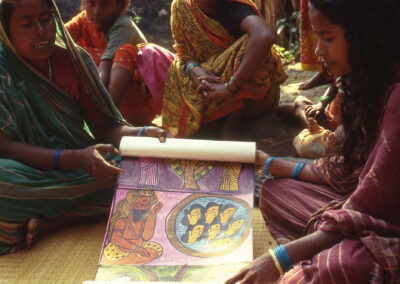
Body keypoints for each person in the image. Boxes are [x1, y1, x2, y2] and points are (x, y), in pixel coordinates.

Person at [226, 0, 400, 282]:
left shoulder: (397, 96)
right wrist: (271, 164)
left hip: (386, 225)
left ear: (364, 35)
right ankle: (326, 246)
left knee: (343, 265)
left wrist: (280, 258)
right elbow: (350, 169)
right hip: (361, 210)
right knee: (274, 192)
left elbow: (371, 204)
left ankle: (325, 253)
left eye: (327, 38)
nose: (319, 51)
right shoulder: (367, 83)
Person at [0, 0, 169, 255]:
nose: (40, 30)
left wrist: (143, 134)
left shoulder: (74, 61)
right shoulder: (3, 71)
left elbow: (105, 129)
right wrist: (74, 159)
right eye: (26, 24)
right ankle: (74, 211)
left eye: (46, 20)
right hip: (25, 171)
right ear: (5, 30)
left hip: (79, 169)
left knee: (144, 172)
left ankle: (60, 219)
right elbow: (6, 147)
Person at [162, 0, 288, 138]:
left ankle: (231, 124)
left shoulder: (234, 6)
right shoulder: (181, 6)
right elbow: (184, 51)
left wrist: (230, 87)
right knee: (176, 67)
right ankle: (208, 122)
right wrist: (194, 69)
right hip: (207, 82)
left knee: (253, 47)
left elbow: (264, 35)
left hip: (247, 92)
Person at [66, 0, 175, 125]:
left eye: (105, 4)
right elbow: (58, 39)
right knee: (67, 50)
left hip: (136, 103)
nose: (96, 11)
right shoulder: (84, 19)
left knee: (122, 53)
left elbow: (105, 67)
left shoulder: (123, 25)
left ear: (120, 6)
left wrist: (99, 113)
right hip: (102, 92)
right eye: (91, 4)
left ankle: (107, 121)